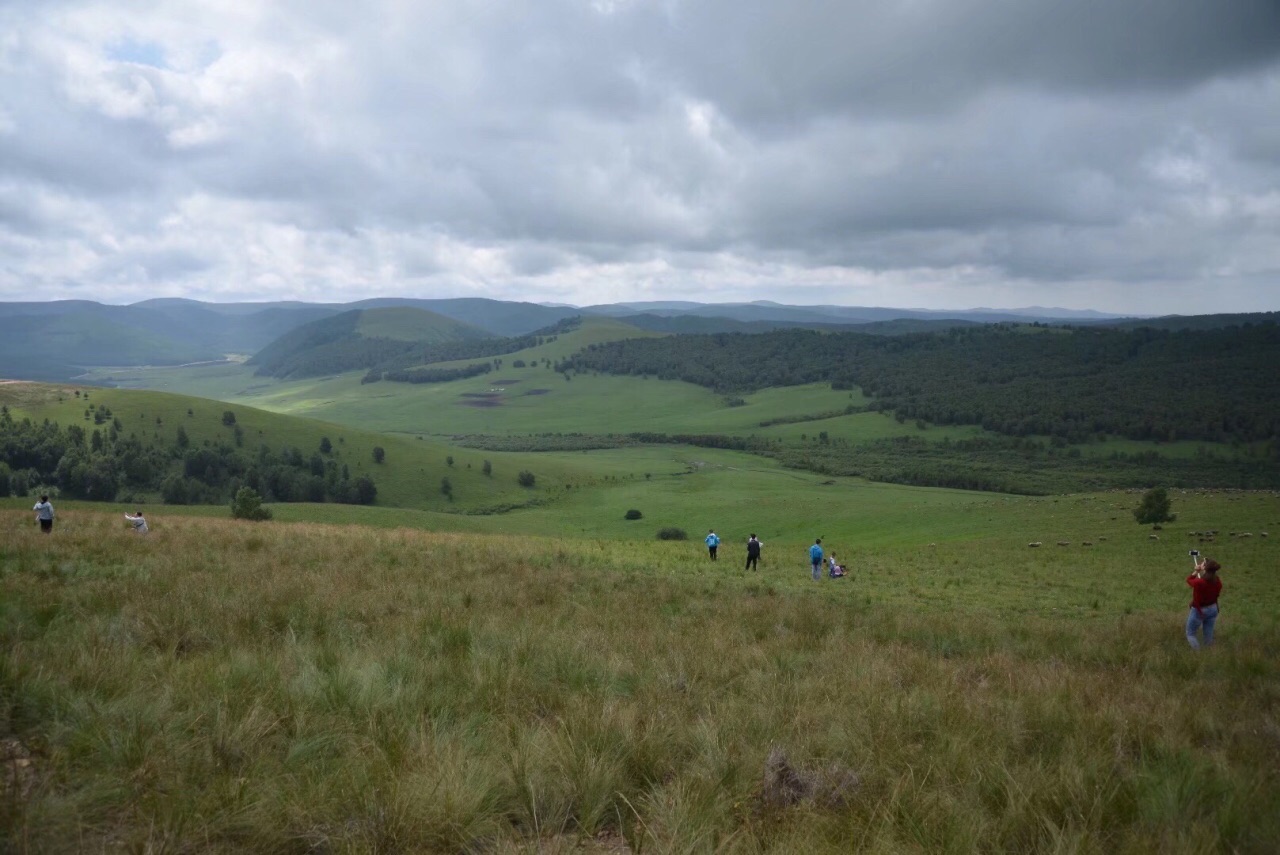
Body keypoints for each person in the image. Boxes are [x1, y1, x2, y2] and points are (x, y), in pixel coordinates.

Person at [1185, 556, 1222, 650]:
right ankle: (1209, 653)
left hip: (1200, 610)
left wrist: (1196, 571)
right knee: (1208, 635)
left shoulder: (1200, 582)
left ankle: (1198, 654)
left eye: (1203, 563)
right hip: (1213, 609)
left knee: (1190, 634)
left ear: (1205, 568)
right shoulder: (1218, 582)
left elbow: (1189, 580)